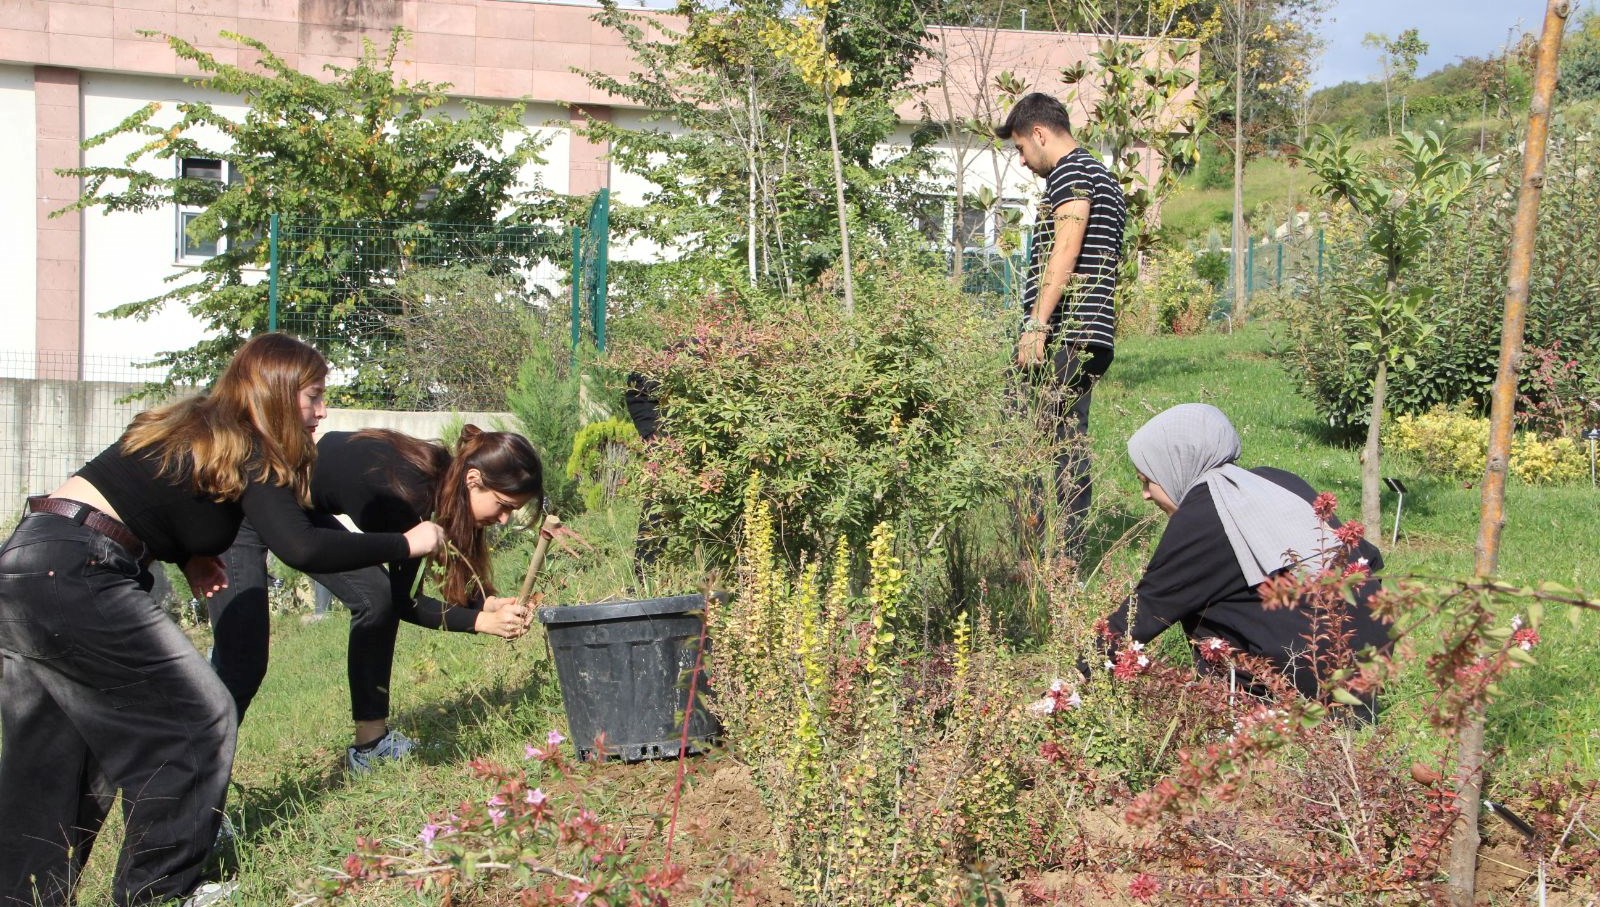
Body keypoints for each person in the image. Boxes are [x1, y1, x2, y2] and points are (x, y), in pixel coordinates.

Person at [0, 334, 445, 907]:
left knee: (55, 758)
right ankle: (163, 893)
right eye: (314, 395)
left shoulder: (197, 425)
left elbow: (140, 493)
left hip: (30, 560)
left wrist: (187, 552)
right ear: (278, 394)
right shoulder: (253, 447)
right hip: (80, 571)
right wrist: (407, 541)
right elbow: (302, 548)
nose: (323, 411)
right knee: (198, 717)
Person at [208, 425, 544, 773]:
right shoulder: (404, 494)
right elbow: (408, 603)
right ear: (474, 479)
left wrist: (485, 603)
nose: (503, 519)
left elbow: (419, 580)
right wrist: (483, 622)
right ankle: (194, 791)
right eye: (503, 506)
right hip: (248, 507)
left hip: (296, 506)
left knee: (375, 597)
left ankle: (370, 746)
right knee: (241, 662)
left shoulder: (440, 479)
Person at [1091, 404, 1391, 710]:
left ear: (1176, 464)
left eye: (1147, 481)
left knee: (1199, 602)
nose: (1145, 494)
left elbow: (1145, 612)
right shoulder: (1276, 480)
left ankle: (1240, 706)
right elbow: (1368, 558)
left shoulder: (1205, 515)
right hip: (1370, 666)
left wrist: (1074, 676)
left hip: (1310, 692)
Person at [996, 92, 1128, 561]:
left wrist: (1036, 323)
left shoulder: (1071, 173)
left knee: (1020, 435)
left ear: (1038, 133)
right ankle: (1066, 561)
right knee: (1068, 443)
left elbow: (1066, 250)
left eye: (1019, 148)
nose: (1023, 160)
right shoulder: (1104, 177)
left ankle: (1029, 556)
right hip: (1092, 333)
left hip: (1062, 334)